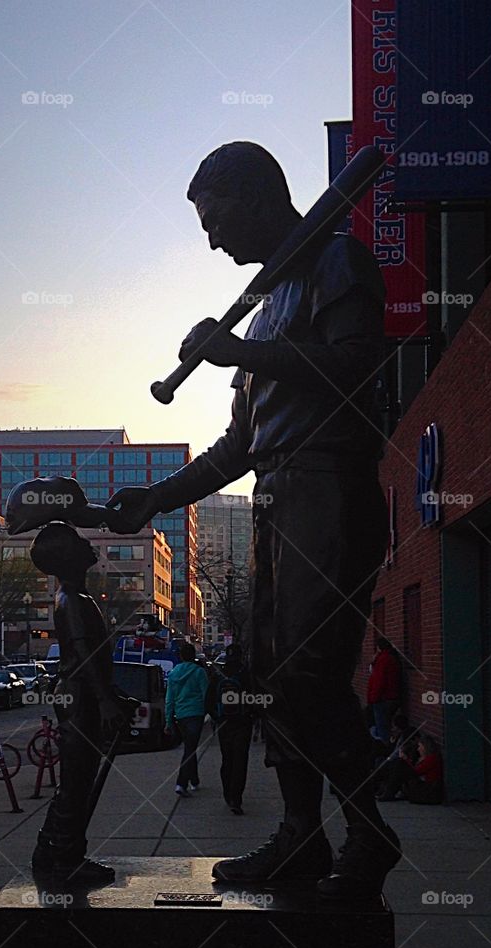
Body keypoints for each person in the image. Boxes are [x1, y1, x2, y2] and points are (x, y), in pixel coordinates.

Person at [107, 141, 400, 902]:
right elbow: (240, 447)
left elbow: (357, 369)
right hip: (278, 493)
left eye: (216, 218)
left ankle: (368, 835)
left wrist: (241, 349)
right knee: (271, 679)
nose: (210, 239)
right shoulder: (269, 302)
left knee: (308, 673)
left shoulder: (339, 261)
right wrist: (154, 498)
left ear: (261, 196)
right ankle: (301, 834)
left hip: (329, 487)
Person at [28, 521, 134, 882]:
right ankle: (63, 857)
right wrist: (105, 700)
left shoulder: (80, 597)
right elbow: (85, 654)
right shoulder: (70, 599)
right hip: (79, 699)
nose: (88, 543)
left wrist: (112, 693)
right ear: (68, 557)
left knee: (77, 779)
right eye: (78, 540)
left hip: (82, 694)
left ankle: (52, 853)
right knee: (75, 781)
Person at [165, 642, 209, 796]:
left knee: (190, 747)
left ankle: (194, 780)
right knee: (190, 749)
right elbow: (206, 695)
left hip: (181, 715)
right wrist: (209, 713)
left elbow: (169, 699)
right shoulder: (199, 673)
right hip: (196, 714)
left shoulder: (173, 674)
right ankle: (181, 783)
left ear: (181, 656)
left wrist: (169, 720)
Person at [216, 643, 253, 814]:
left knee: (227, 759)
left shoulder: (219, 674)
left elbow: (209, 699)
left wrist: (216, 716)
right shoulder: (246, 675)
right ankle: (235, 798)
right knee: (240, 761)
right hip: (242, 723)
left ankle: (227, 793)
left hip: (224, 723)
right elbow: (256, 697)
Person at [377, 732, 444, 804]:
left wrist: (405, 760)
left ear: (425, 747)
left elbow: (416, 771)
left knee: (399, 764)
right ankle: (384, 789)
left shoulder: (432, 759)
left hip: (427, 790)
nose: (418, 749)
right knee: (396, 765)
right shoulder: (426, 758)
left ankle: (384, 789)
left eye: (419, 746)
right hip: (422, 787)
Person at [366, 635, 401, 743]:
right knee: (387, 726)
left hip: (383, 699)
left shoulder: (383, 660)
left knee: (383, 729)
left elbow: (378, 681)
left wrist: (373, 699)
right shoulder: (392, 657)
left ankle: (384, 750)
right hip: (392, 697)